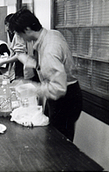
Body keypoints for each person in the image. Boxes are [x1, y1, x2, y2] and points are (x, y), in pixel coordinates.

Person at [8, 9, 83, 141]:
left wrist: (31, 87)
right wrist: (33, 63)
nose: (20, 39)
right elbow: (55, 65)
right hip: (71, 92)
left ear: (27, 29)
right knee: (54, 137)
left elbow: (58, 89)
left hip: (64, 99)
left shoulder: (49, 50)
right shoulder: (52, 34)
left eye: (19, 34)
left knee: (58, 144)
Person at [0, 14, 38, 82]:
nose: (6, 28)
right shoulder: (20, 34)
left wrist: (3, 62)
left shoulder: (18, 35)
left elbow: (19, 55)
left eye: (7, 25)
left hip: (21, 69)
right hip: (26, 68)